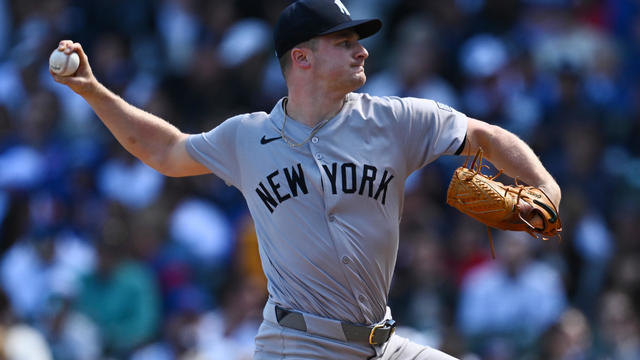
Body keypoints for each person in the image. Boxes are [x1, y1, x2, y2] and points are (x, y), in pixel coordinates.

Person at [51, 0, 561, 358]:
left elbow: (486, 136)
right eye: (345, 42)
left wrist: (546, 187)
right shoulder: (246, 138)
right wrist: (92, 90)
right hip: (297, 345)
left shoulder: (396, 119)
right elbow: (164, 148)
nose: (361, 51)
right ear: (302, 57)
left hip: (380, 342)